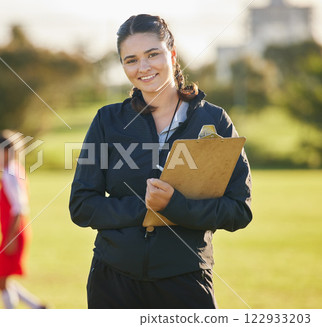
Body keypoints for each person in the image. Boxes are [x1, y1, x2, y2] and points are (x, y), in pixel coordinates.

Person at [69, 14, 253, 309]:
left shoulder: (213, 120)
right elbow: (81, 206)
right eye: (131, 60)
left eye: (152, 54)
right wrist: (144, 205)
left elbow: (239, 210)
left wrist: (175, 206)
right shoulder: (107, 120)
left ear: (172, 54)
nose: (143, 67)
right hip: (112, 283)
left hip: (186, 282)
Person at [0, 133, 46, 309]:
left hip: (14, 232)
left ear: (4, 152)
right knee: (0, 279)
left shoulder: (11, 172)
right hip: (11, 231)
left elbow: (20, 207)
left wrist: (11, 237)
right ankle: (37, 308)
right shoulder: (8, 171)